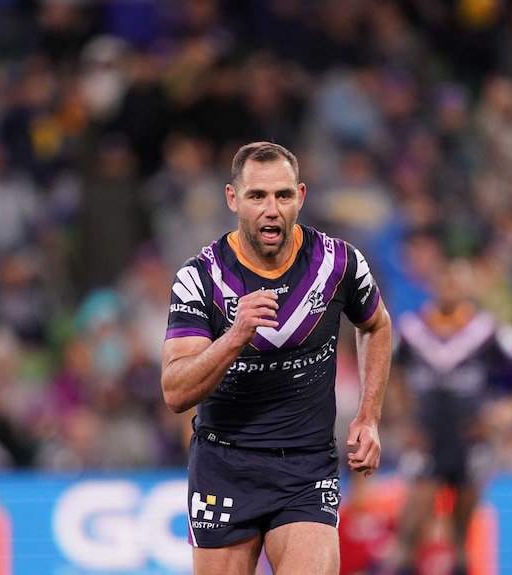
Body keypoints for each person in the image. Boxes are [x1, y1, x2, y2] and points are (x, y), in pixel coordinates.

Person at [161, 141, 392, 575]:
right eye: (257, 196)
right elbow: (175, 392)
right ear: (233, 200)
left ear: (300, 197)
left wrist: (369, 414)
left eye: (283, 195)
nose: (272, 209)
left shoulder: (339, 264)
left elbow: (376, 324)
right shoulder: (200, 278)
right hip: (223, 465)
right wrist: (234, 337)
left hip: (306, 467)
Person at [385, 258, 512, 575]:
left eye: (457, 281)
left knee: (461, 538)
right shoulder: (412, 330)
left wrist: (510, 409)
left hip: (471, 438)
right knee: (410, 532)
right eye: (445, 280)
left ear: (468, 285)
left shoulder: (487, 330)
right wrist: (402, 420)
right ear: (432, 284)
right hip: (427, 438)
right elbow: (386, 371)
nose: (450, 287)